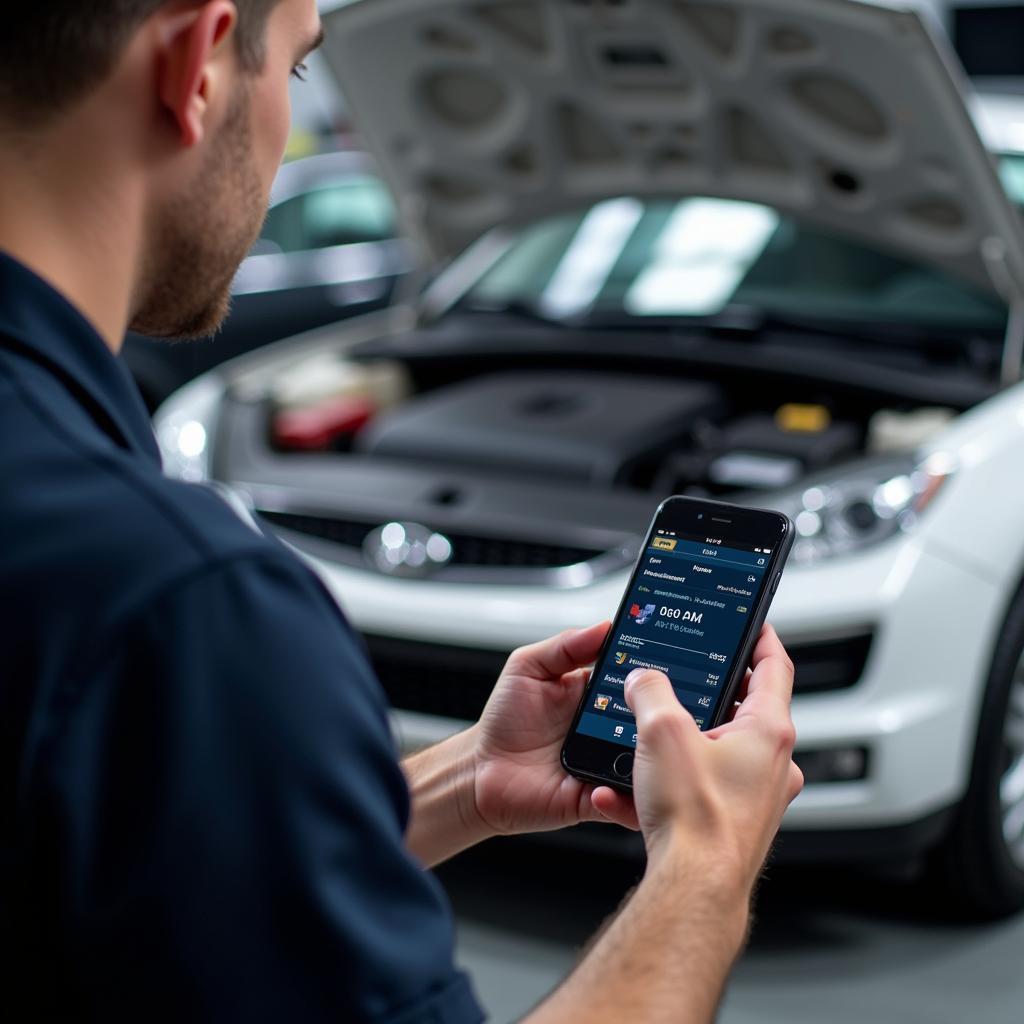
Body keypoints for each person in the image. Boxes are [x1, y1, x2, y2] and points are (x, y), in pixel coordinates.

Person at [0, 2, 803, 1020]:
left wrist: (468, 779)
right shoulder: (175, 607)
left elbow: (159, 877)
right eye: (293, 72)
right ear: (197, 68)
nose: (286, 126)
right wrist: (707, 865)